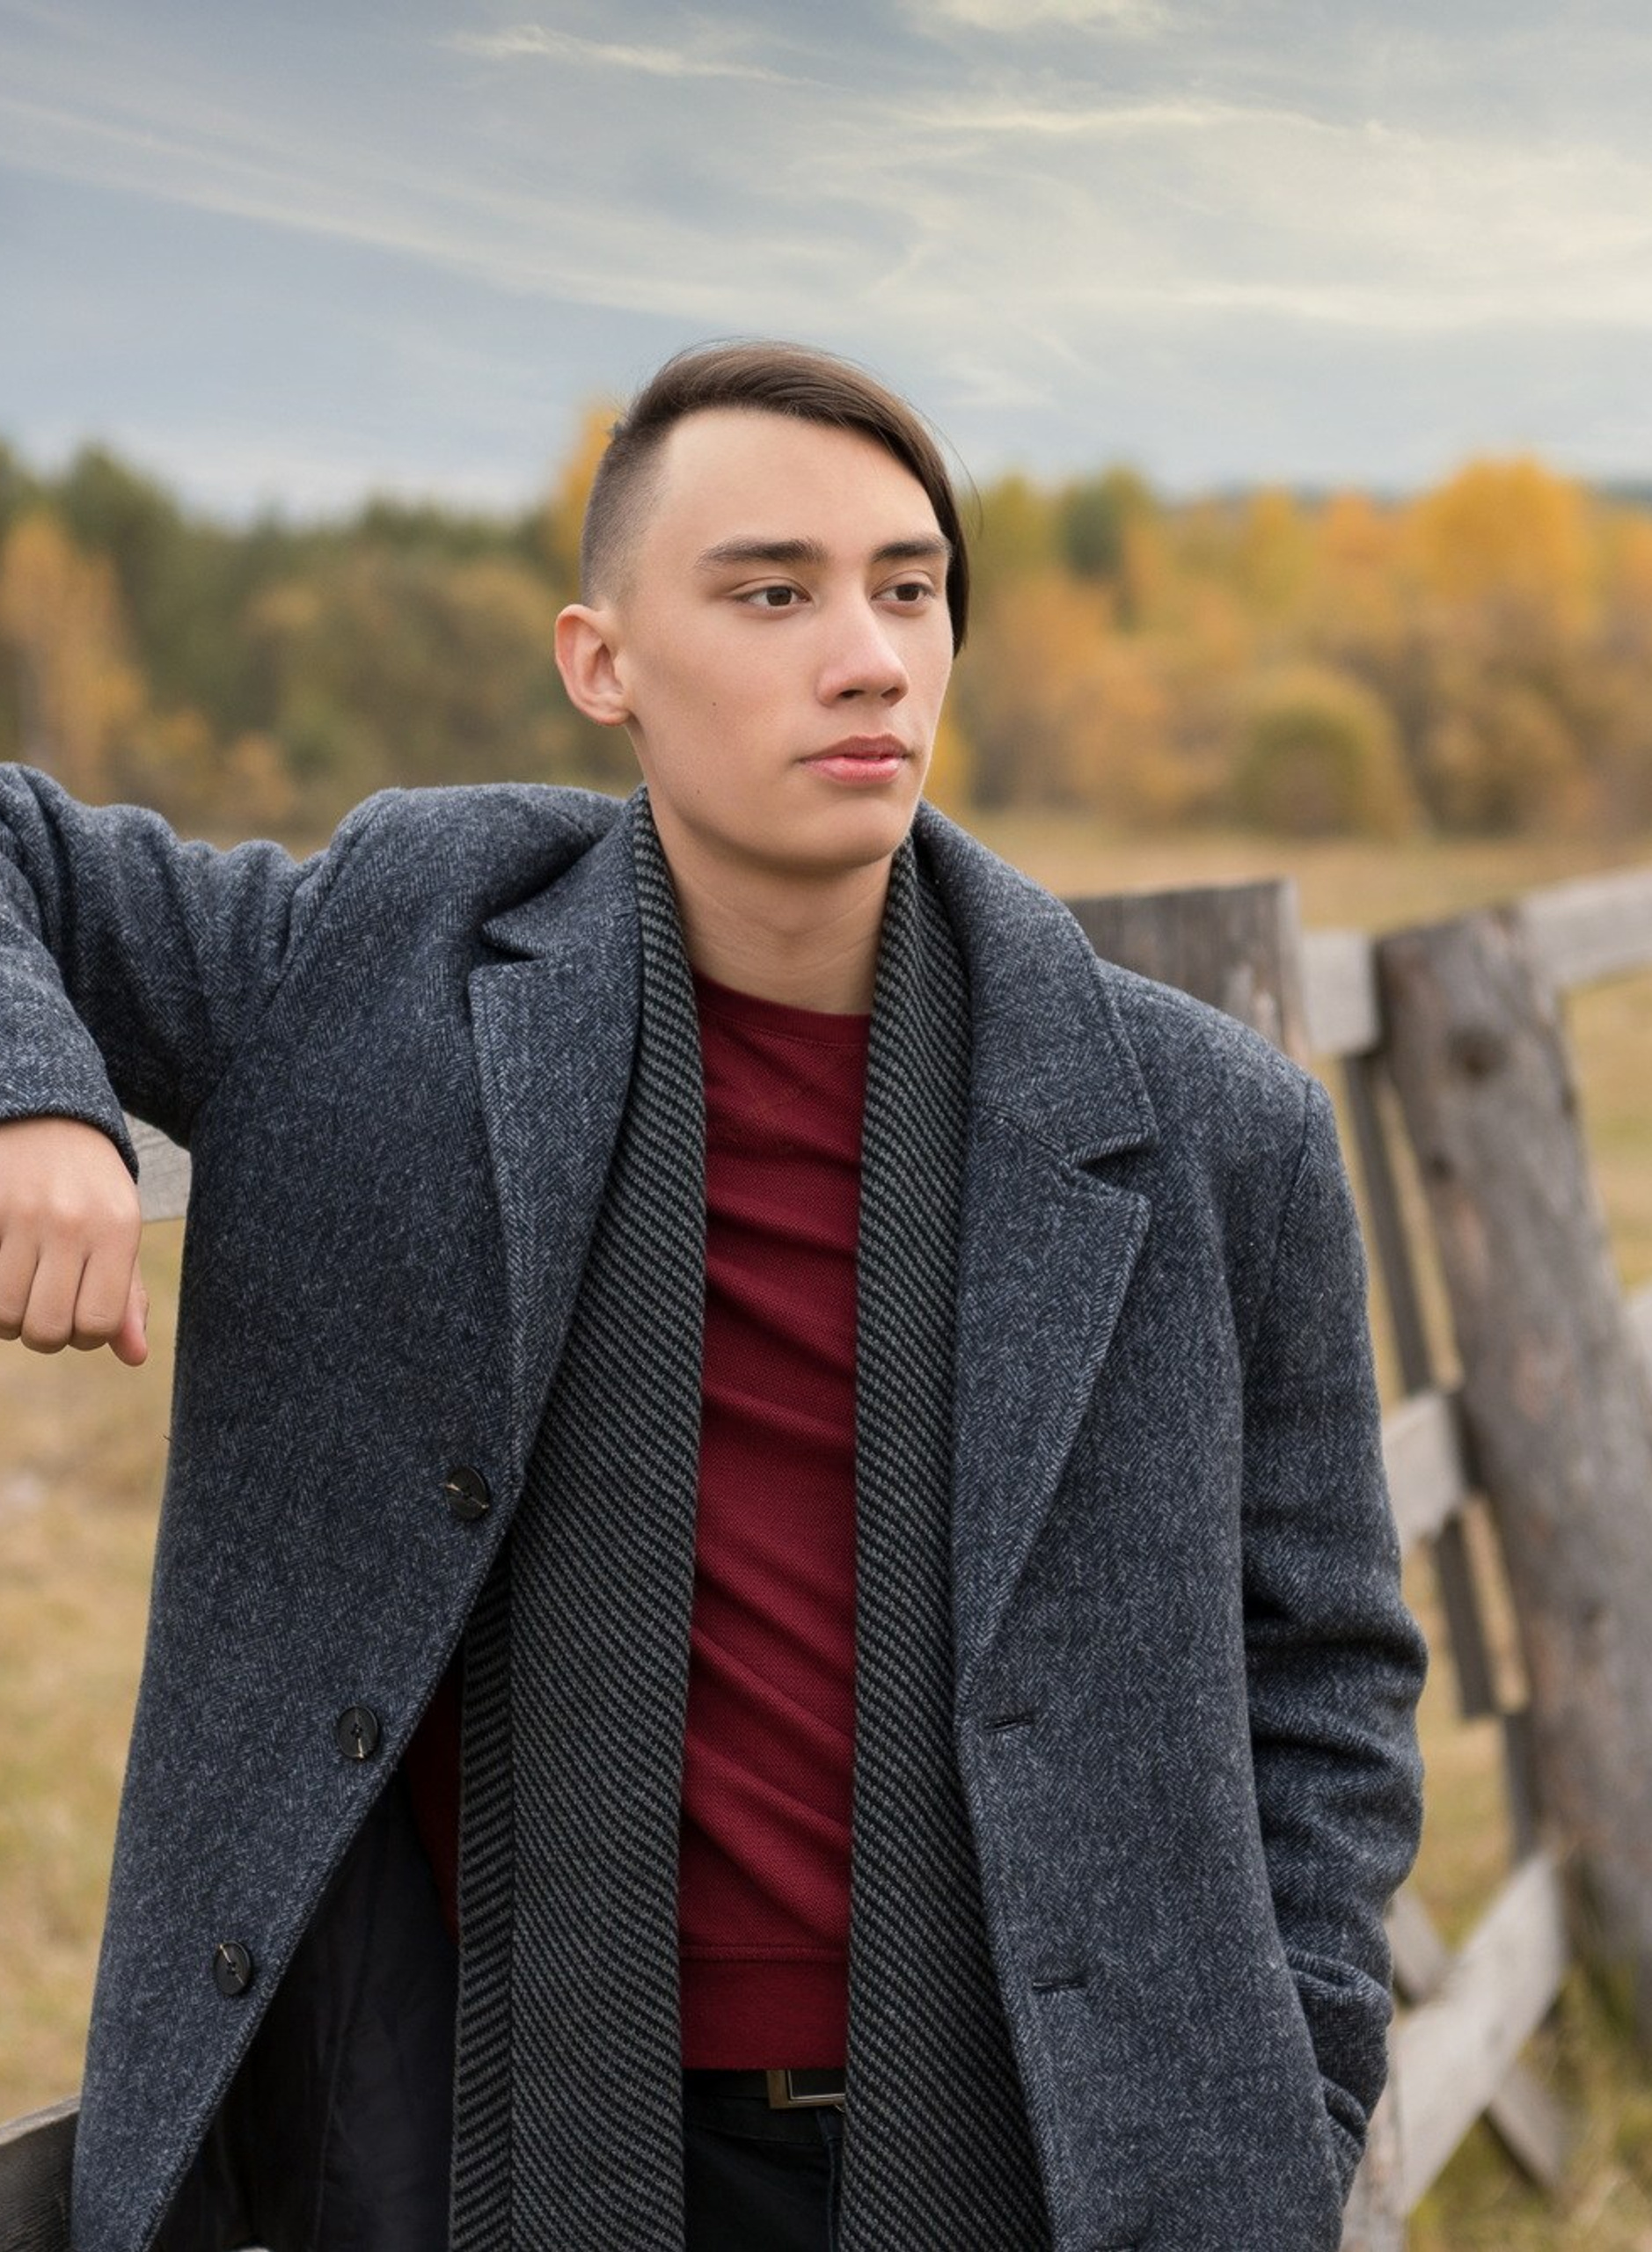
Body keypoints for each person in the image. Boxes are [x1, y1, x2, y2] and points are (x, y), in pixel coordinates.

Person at [0, 341, 1426, 2252]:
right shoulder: (381, 962)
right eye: (772, 591)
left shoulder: (1207, 1129)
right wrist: (35, 1087)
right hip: (479, 2132)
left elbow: (1324, 1665)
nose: (867, 654)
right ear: (602, 660)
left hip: (1064, 2152)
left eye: (907, 588)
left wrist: (1294, 2083)